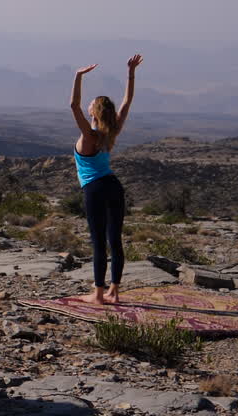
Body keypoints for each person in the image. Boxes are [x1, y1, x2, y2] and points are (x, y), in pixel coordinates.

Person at [70, 54, 142, 304]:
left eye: (91, 104)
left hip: (95, 189)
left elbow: (73, 105)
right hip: (114, 186)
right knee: (115, 239)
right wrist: (130, 73)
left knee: (98, 241)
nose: (87, 105)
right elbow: (127, 101)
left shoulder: (89, 135)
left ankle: (98, 295)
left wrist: (78, 76)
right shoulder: (111, 131)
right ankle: (115, 290)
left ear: (94, 111)